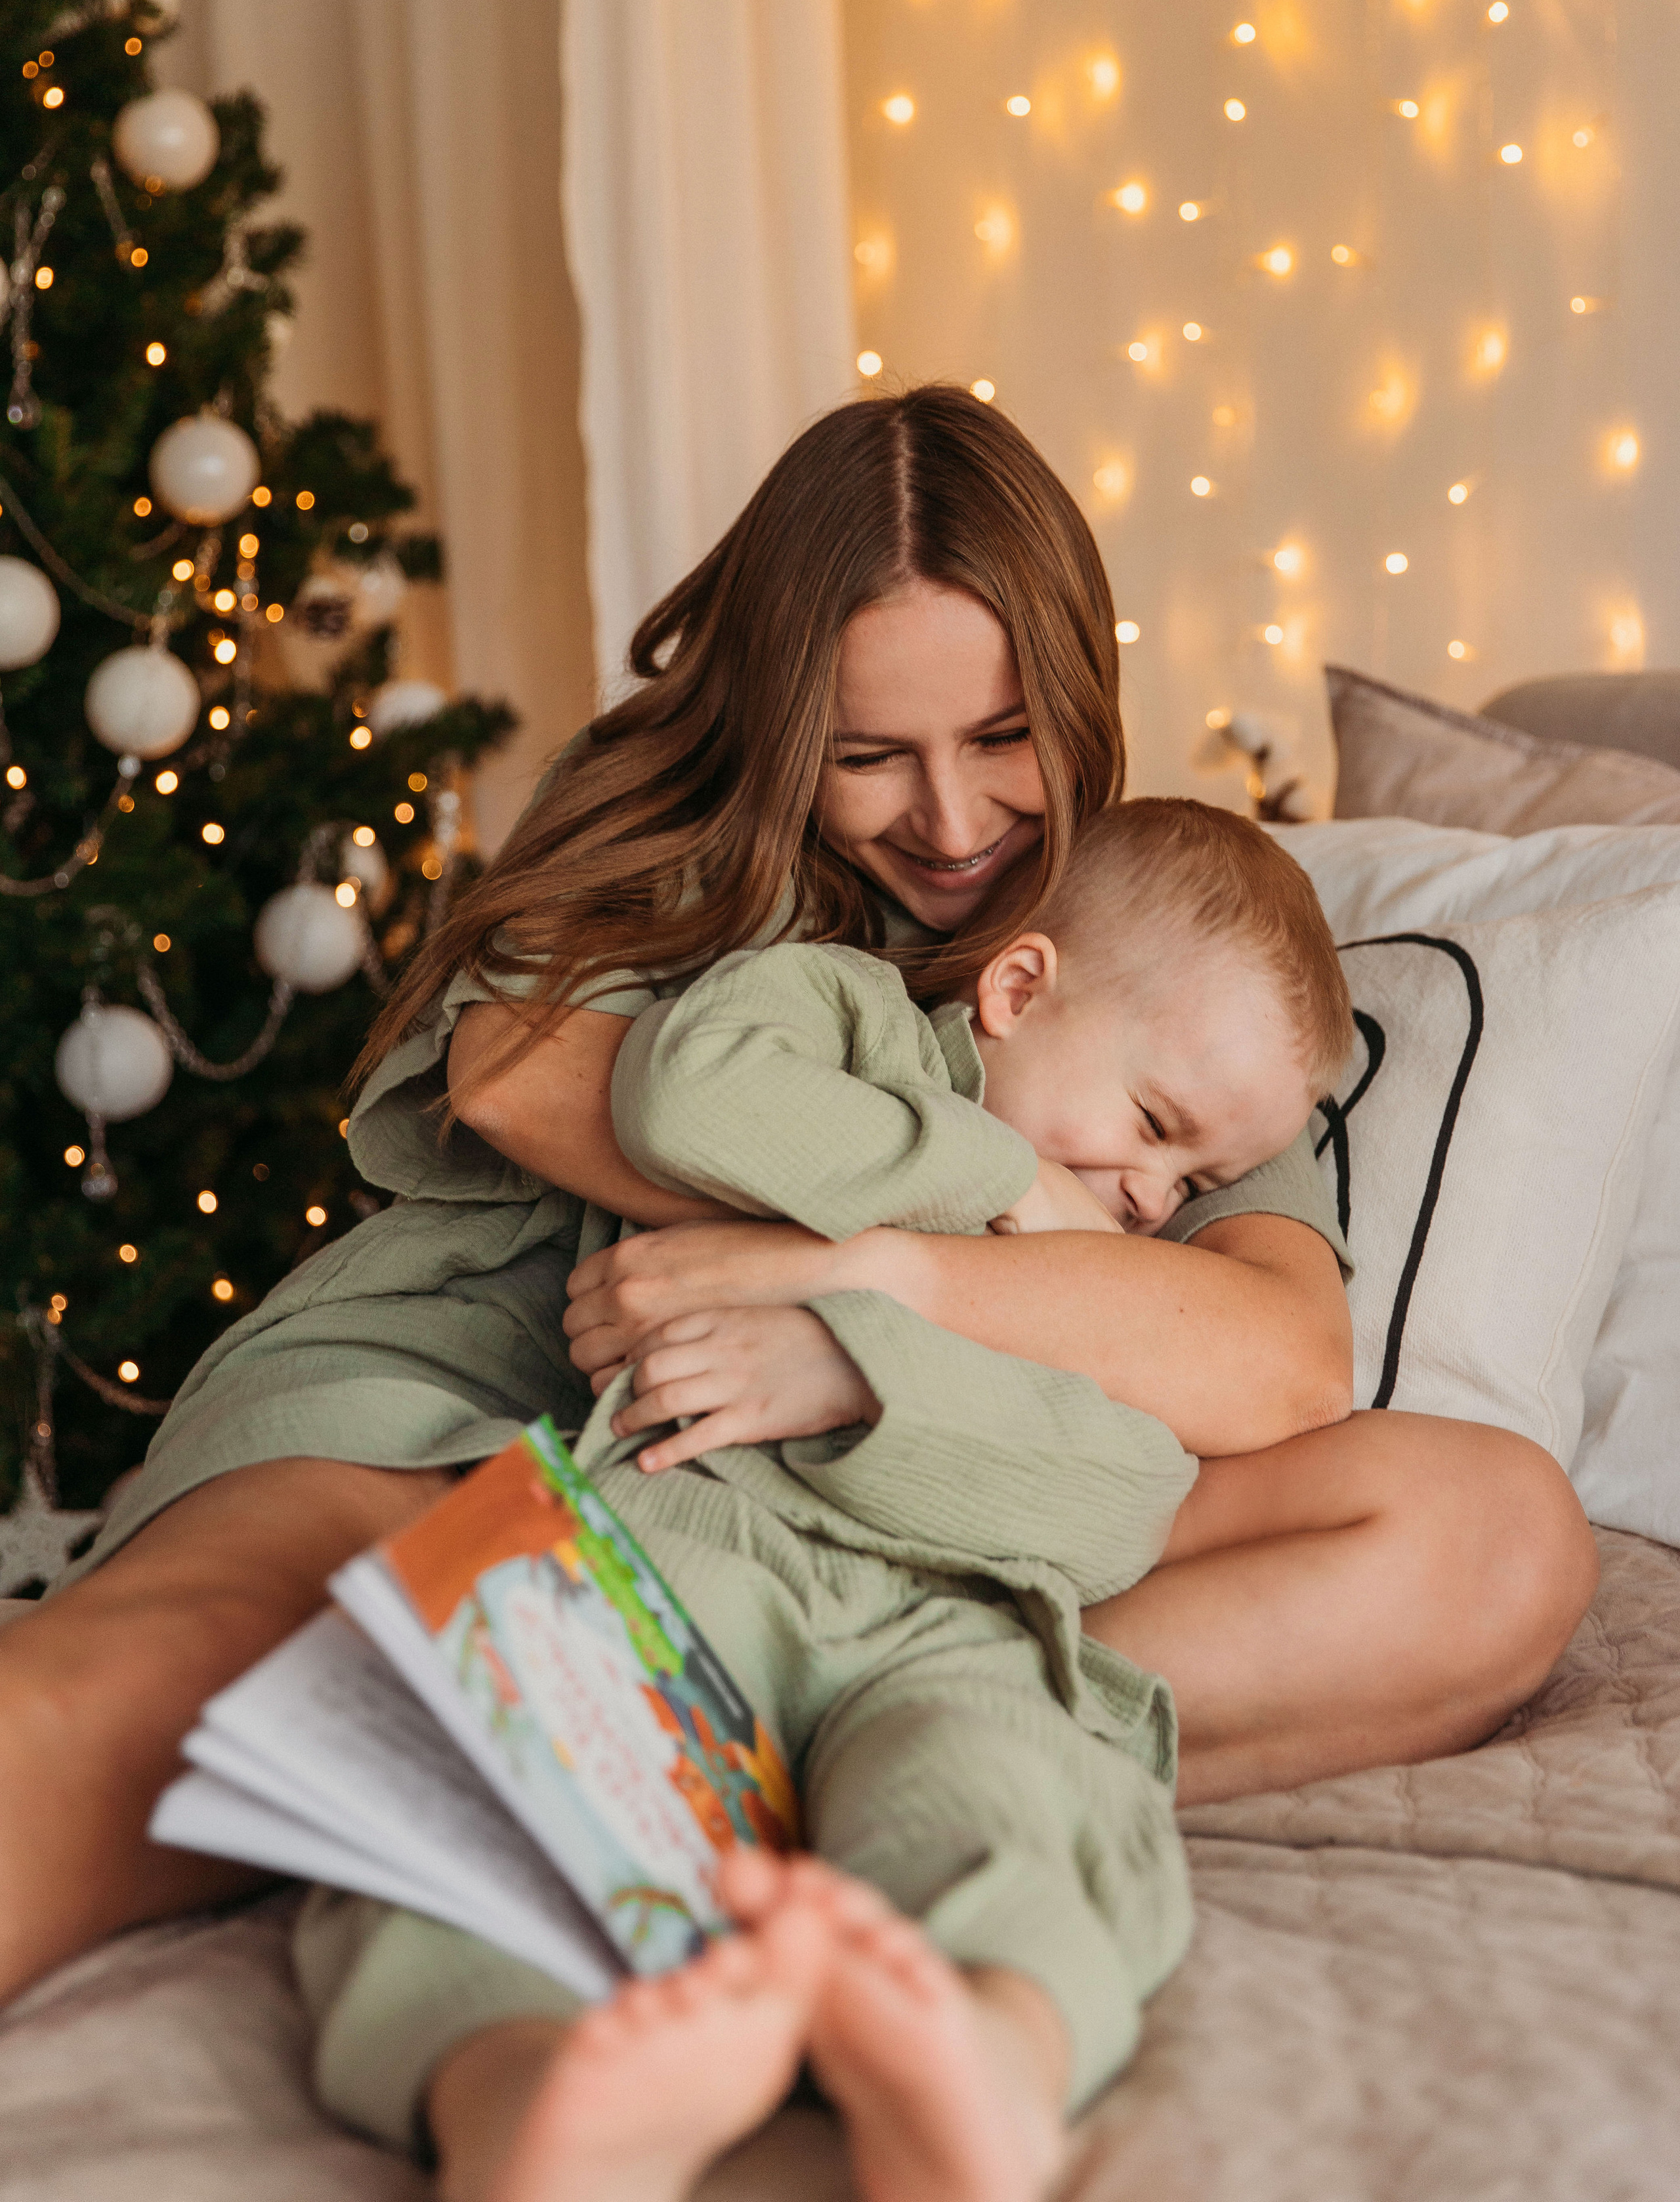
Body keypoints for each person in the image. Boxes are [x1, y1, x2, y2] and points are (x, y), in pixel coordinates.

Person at [0, 384, 1595, 2014]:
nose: (956, 822)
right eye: (868, 758)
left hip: (932, 1501)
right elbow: (518, 1078)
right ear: (779, 723)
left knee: (1497, 1538)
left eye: (1000, 741)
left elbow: (1276, 1359)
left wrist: (861, 1292)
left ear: (1074, 697)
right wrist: (991, 1218)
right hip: (479, 1401)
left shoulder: (1170, 965)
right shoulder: (667, 825)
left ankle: (730, 1733)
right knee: (128, 1700)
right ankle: (613, 1733)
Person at [296, 794, 1354, 2193]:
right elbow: (685, 1095)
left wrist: (859, 1371)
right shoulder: (840, 1017)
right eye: (1152, 1127)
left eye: (1197, 1177)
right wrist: (995, 1170)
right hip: (682, 1531)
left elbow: (1125, 1499)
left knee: (1012, 1792)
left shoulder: (1112, 1280)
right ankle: (522, 2097)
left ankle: (985, 2056)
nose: (1155, 1199)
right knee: (465, 1756)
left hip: (955, 1610)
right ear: (1019, 985)